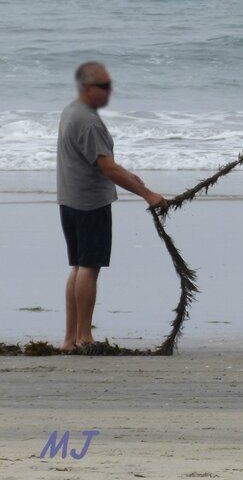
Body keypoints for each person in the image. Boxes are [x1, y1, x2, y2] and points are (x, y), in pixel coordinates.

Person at [57, 62, 168, 352]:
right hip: (89, 202)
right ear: (86, 88)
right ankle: (84, 337)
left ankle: (69, 339)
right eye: (104, 86)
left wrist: (130, 177)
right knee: (89, 267)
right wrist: (147, 194)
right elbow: (107, 168)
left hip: (69, 199)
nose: (110, 91)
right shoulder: (90, 122)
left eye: (110, 85)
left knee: (79, 266)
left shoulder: (72, 111)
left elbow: (100, 163)